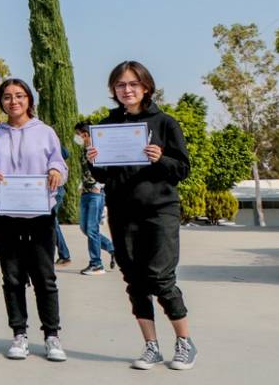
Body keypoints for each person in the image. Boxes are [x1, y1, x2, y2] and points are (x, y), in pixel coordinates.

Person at [87, 60, 196, 370]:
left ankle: (185, 343)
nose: (127, 89)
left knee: (160, 278)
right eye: (121, 85)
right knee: (134, 280)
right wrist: (94, 160)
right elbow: (104, 176)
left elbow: (182, 169)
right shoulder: (106, 127)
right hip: (122, 212)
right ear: (114, 90)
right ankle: (151, 347)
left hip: (160, 210)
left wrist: (160, 158)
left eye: (133, 84)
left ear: (146, 87)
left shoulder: (165, 123)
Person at [0, 79, 69, 361]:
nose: (13, 101)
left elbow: (60, 164)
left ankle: (52, 335)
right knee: (13, 277)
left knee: (45, 277)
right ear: (0, 102)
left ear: (29, 99)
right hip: (2, 216)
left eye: (19, 96)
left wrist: (55, 170)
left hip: (39, 214)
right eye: (6, 97)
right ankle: (19, 334)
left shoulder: (46, 132)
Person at [75, 121, 115, 275]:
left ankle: (96, 264)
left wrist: (100, 185)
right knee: (85, 228)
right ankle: (112, 249)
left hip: (96, 193)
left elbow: (105, 169)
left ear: (85, 134)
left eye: (77, 134)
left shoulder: (98, 149)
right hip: (85, 192)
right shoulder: (83, 150)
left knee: (92, 229)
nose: (76, 137)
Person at [53, 145, 73, 267]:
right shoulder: (61, 162)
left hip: (55, 191)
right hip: (57, 191)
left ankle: (64, 255)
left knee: (51, 222)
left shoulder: (57, 164)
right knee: (51, 222)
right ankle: (63, 255)